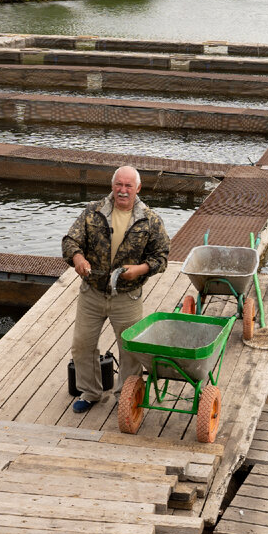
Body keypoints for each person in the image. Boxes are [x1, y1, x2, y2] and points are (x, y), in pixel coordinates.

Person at [62, 165, 171, 414]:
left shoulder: (151, 220)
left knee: (130, 349)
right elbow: (70, 241)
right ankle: (90, 392)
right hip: (92, 293)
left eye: (128, 186)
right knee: (82, 345)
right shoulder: (93, 211)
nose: (123, 190)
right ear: (112, 186)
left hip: (127, 296)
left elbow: (162, 257)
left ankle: (126, 395)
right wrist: (78, 258)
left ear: (138, 188)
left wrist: (140, 269)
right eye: (119, 184)